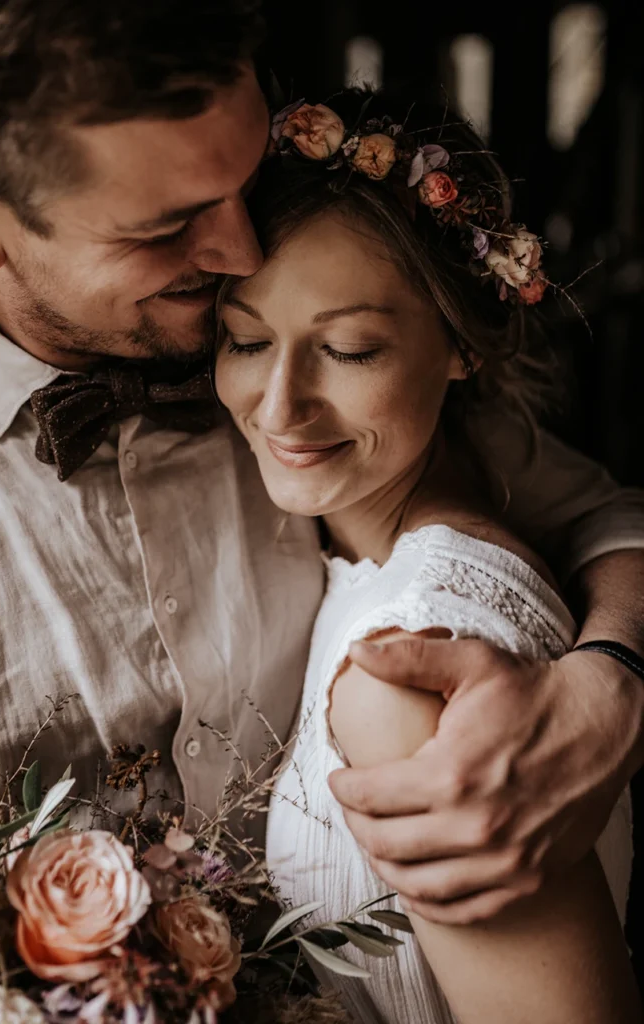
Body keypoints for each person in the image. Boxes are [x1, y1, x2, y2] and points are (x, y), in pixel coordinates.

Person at [0, 0, 642, 936]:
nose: (239, 250)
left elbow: (600, 518)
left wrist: (612, 680)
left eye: (244, 182)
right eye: (167, 226)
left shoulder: (315, 370)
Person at [215, 90, 641, 1022]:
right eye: (245, 339)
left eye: (350, 349)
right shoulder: (462, 479)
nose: (279, 407)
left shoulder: (415, 675)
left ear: (460, 346)